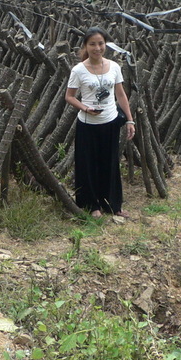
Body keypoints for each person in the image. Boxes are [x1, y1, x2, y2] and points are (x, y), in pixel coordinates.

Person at [65, 27, 135, 218]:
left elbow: (120, 94)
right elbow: (69, 97)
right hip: (87, 124)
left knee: (110, 163)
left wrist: (129, 120)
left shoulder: (114, 66)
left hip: (110, 122)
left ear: (106, 45)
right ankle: (92, 205)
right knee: (88, 165)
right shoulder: (78, 70)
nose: (97, 48)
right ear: (86, 47)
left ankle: (113, 205)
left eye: (101, 43)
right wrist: (85, 108)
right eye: (93, 44)